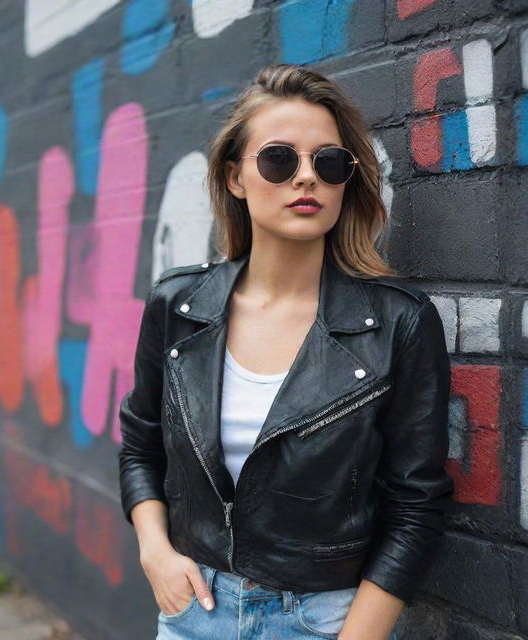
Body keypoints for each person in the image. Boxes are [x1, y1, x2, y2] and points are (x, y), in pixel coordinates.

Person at [118, 63, 453, 640]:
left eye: (328, 162)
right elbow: (139, 446)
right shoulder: (178, 306)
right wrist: (155, 550)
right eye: (278, 159)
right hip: (192, 609)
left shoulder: (399, 321)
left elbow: (417, 503)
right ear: (235, 178)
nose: (306, 179)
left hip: (324, 621)